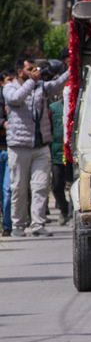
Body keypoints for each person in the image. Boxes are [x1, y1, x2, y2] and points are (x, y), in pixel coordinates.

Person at [2, 56, 71, 237]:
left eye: (36, 68)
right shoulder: (10, 87)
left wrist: (73, 68)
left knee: (41, 186)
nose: (36, 71)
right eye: (31, 69)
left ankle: (38, 224)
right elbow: (16, 99)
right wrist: (31, 83)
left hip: (41, 146)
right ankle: (18, 224)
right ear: (20, 72)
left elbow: (57, 85)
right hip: (19, 146)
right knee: (19, 187)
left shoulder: (39, 86)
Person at [49, 95, 70, 226]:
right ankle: (64, 209)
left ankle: (72, 212)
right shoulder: (53, 108)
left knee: (75, 185)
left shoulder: (77, 104)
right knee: (56, 186)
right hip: (57, 153)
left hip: (72, 154)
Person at [0, 69, 13, 236]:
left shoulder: (18, 99)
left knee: (8, 190)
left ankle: (7, 225)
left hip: (11, 150)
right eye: (9, 80)